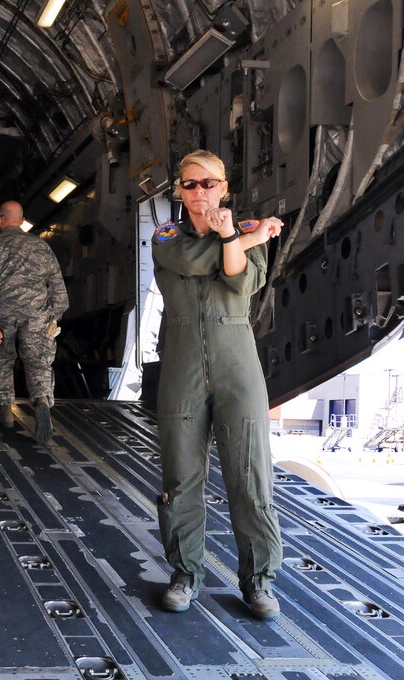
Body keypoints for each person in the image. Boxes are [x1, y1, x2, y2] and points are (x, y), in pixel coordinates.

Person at [152, 149, 285, 620]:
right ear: (179, 190)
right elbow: (192, 261)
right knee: (181, 478)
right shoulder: (166, 237)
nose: (199, 191)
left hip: (237, 364)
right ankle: (185, 574)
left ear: (224, 187)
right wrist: (247, 238)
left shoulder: (244, 231)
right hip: (182, 365)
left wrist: (233, 235)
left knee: (251, 477)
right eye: (189, 183)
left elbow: (239, 283)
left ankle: (259, 583)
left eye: (208, 183)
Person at [0, 200, 68, 444]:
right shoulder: (41, 246)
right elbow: (58, 286)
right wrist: (53, 317)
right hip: (37, 315)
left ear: (0, 219)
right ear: (21, 220)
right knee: (38, 361)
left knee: (2, 359)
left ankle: (5, 411)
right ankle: (41, 400)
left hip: (4, 314)